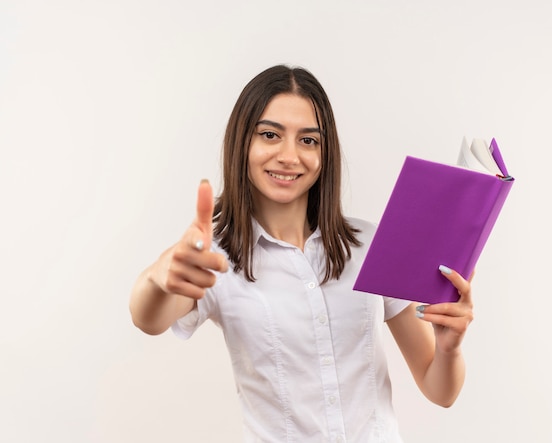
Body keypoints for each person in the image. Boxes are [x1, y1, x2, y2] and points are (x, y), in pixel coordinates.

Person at [129, 64, 474, 442]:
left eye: (308, 140)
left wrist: (448, 347)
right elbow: (148, 318)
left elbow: (440, 390)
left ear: (325, 154)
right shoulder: (215, 260)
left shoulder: (368, 244)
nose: (289, 156)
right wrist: (160, 277)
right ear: (242, 142)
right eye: (270, 135)